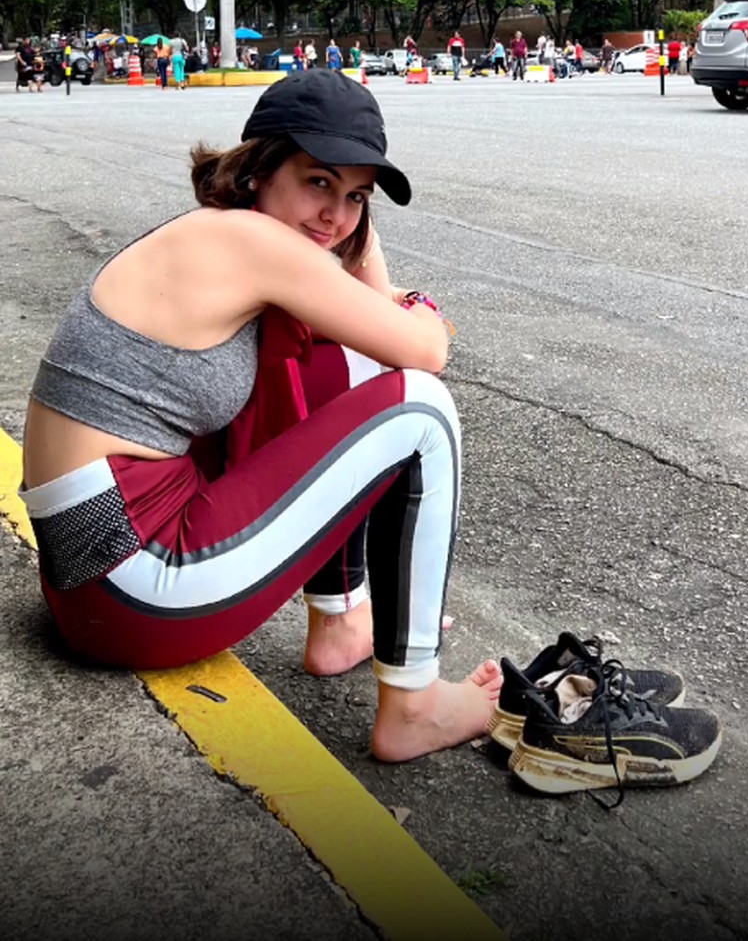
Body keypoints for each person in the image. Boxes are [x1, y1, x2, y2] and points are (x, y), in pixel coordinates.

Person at [20, 71, 502, 759]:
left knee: (333, 366)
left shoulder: (219, 237)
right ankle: (415, 707)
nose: (336, 215)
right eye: (318, 181)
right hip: (136, 592)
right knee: (419, 407)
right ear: (258, 168)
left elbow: (353, 323)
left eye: (356, 196)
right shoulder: (252, 244)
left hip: (94, 588)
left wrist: (346, 225)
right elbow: (422, 349)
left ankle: (341, 623)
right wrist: (419, 303)